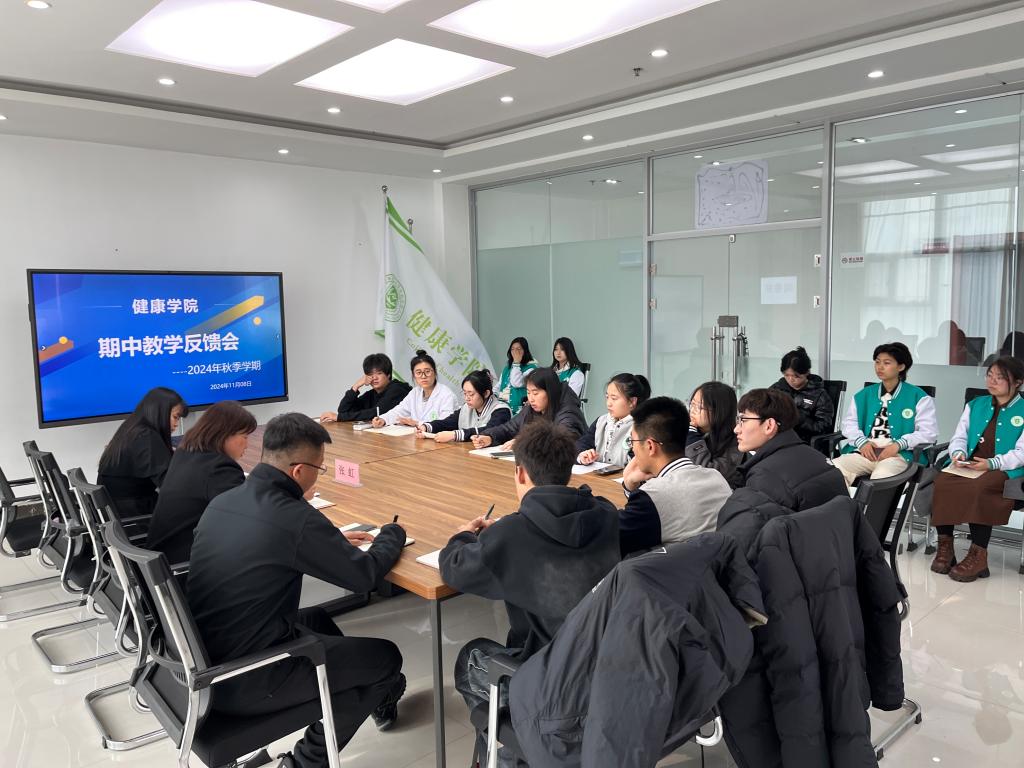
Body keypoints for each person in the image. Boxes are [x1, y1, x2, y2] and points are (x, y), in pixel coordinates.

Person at [188, 413, 408, 768]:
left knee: (317, 619)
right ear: (299, 471)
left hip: (207, 659)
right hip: (250, 677)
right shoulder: (295, 517)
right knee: (385, 658)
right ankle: (305, 762)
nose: (318, 475)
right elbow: (364, 576)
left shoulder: (225, 501)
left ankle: (375, 692)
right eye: (319, 468)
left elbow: (275, 542)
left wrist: (328, 541)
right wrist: (391, 535)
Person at [440, 421, 620, 763]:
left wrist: (463, 535)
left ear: (520, 472)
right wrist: (504, 532)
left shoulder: (512, 534)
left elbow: (455, 567)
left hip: (549, 678)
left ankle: (510, 753)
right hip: (603, 668)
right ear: (568, 469)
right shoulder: (605, 513)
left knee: (471, 657)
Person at [929, 356, 1024, 582]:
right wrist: (958, 454)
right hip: (970, 465)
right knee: (941, 482)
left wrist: (992, 463)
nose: (992, 381)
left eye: (1000, 377)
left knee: (981, 487)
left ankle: (978, 555)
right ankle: (945, 547)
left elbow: (1021, 453)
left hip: (1005, 470)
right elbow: (959, 437)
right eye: (990, 376)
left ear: (1017, 382)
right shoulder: (975, 405)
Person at [717, 388, 847, 549]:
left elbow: (755, 542)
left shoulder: (765, 475)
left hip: (807, 557)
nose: (736, 429)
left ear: (769, 425)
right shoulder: (816, 456)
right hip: (838, 552)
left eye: (743, 420)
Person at [618, 396, 732, 557]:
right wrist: (631, 486)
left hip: (670, 571)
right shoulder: (716, 478)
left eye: (633, 441)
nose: (633, 449)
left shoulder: (654, 496)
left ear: (650, 446)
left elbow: (616, 538)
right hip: (718, 567)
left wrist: (628, 485)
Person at [145, 401, 256, 564]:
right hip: (184, 566)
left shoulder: (184, 453)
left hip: (161, 558)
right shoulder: (220, 469)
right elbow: (248, 520)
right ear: (224, 434)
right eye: (245, 437)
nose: (247, 444)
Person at [832, 342, 937, 486]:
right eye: (877, 362)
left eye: (886, 363)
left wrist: (898, 445)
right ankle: (843, 501)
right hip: (864, 453)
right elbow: (849, 425)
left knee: (880, 480)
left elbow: (929, 433)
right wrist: (862, 442)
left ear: (901, 367)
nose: (880, 367)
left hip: (898, 456)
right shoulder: (863, 395)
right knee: (832, 472)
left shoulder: (919, 397)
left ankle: (866, 503)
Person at [98, 386, 188, 521]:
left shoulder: (132, 428)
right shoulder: (147, 437)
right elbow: (170, 485)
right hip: (135, 516)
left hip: (118, 512)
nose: (176, 424)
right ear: (160, 412)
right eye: (175, 417)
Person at [469, 367, 587, 449]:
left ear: (550, 392)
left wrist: (523, 442)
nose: (531, 399)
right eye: (528, 392)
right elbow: (509, 428)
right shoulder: (532, 408)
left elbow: (560, 442)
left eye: (535, 393)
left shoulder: (568, 412)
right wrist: (489, 437)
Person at [576, 372, 651, 467]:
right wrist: (582, 456)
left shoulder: (642, 427)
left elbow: (641, 466)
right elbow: (580, 446)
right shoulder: (601, 421)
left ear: (632, 401)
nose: (608, 403)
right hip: (596, 475)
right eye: (607, 397)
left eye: (614, 398)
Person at [416, 370, 511, 442]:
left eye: (471, 394)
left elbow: (489, 431)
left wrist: (454, 435)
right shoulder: (467, 407)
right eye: (465, 393)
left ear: (486, 393)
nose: (467, 398)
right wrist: (426, 427)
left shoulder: (501, 411)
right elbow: (448, 423)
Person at [371, 349, 457, 427]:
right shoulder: (415, 392)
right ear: (414, 376)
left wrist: (417, 423)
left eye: (427, 371)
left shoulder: (446, 395)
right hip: (418, 436)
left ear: (434, 373)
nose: (423, 376)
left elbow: (446, 423)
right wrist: (383, 419)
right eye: (418, 372)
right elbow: (399, 411)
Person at [685, 381, 746, 489]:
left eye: (699, 407)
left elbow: (708, 474)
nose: (692, 410)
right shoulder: (687, 430)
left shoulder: (736, 441)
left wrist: (692, 438)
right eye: (692, 404)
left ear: (719, 411)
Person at [768, 346, 835, 444]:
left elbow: (823, 427)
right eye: (786, 375)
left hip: (802, 442)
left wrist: (798, 417)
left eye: (796, 376)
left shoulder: (819, 395)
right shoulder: (776, 389)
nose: (791, 380)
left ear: (807, 372)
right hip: (776, 438)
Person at [320, 353, 410, 423]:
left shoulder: (397, 390)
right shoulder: (372, 393)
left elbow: (376, 413)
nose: (374, 378)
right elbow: (343, 410)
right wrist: (356, 386)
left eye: (379, 373)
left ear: (388, 375)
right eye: (370, 374)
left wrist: (339, 417)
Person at [495, 337, 539, 416]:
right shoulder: (507, 368)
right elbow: (499, 386)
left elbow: (516, 383)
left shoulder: (531, 368)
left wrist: (516, 363)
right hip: (503, 408)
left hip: (519, 412)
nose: (515, 352)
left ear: (525, 351)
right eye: (513, 349)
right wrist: (493, 395)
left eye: (518, 349)